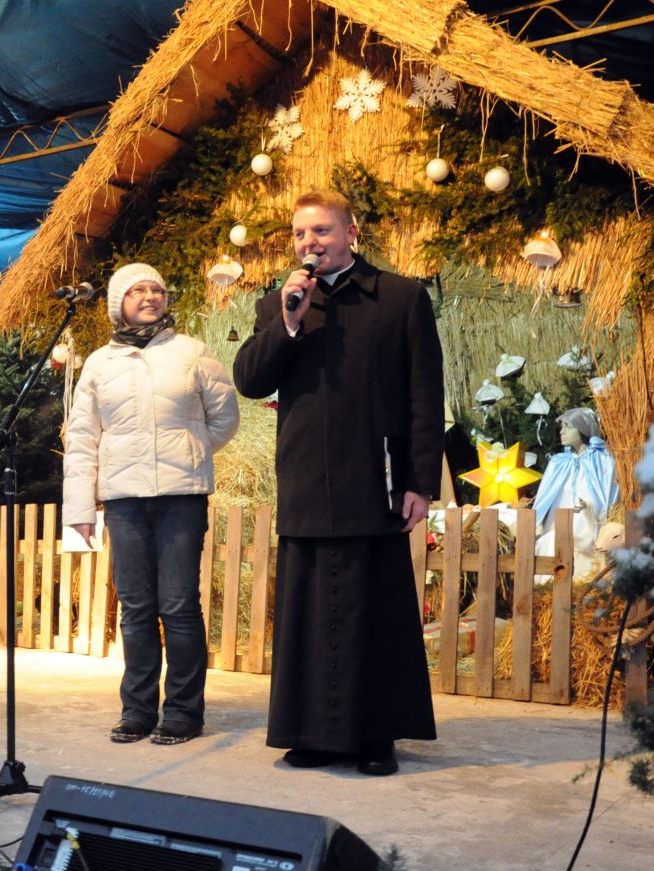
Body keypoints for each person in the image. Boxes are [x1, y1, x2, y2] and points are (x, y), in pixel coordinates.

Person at [233, 190, 444, 775]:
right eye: (301, 234)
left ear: (351, 233)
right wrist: (288, 322)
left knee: (375, 610)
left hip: (374, 477)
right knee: (306, 611)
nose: (310, 243)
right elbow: (250, 381)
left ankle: (376, 736)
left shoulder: (400, 298)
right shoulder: (279, 303)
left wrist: (421, 481)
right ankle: (313, 733)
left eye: (322, 231)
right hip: (305, 477)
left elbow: (426, 395)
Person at [63, 262, 240, 745]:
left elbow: (224, 417)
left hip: (181, 497)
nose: (149, 297)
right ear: (117, 303)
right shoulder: (99, 363)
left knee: (179, 605)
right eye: (137, 290)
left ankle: (183, 712)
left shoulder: (192, 352)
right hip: (124, 500)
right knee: (136, 608)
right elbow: (82, 438)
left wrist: (190, 452)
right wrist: (79, 509)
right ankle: (137, 711)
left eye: (156, 289)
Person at [532, 407, 618, 579]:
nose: (561, 431)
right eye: (562, 426)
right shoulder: (558, 462)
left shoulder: (602, 461)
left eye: (568, 426)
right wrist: (537, 521)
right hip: (557, 521)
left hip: (587, 524)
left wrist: (589, 506)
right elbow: (544, 498)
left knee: (579, 560)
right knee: (552, 542)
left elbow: (609, 495)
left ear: (582, 430)